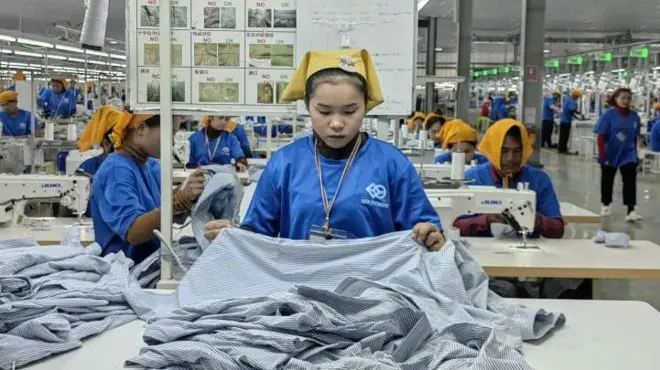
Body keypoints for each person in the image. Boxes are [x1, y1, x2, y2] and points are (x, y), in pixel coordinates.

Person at [204, 48, 444, 249]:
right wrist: (234, 236)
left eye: (350, 111)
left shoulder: (392, 164)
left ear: (366, 107)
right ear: (308, 105)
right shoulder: (286, 163)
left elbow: (423, 228)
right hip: (298, 288)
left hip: (373, 291)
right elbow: (257, 232)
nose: (337, 123)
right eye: (324, 111)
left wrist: (431, 235)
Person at [91, 111, 206, 264]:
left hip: (151, 261)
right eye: (170, 133)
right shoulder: (116, 171)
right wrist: (178, 202)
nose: (171, 143)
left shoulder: (150, 165)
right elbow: (133, 232)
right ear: (141, 128)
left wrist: (188, 195)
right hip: (124, 268)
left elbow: (159, 207)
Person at [453, 119, 564, 238]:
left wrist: (537, 220)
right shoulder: (472, 178)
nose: (511, 158)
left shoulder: (539, 180)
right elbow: (455, 225)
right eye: (504, 151)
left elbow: (558, 229)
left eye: (517, 151)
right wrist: (487, 219)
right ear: (493, 150)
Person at [594, 88, 643, 222]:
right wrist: (602, 154)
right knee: (607, 179)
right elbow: (600, 136)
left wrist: (636, 153)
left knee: (630, 181)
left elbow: (634, 136)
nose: (626, 100)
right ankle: (605, 204)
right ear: (616, 99)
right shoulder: (608, 115)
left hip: (628, 153)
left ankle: (631, 210)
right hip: (610, 152)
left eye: (628, 98)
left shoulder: (635, 117)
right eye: (623, 98)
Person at [558, 89, 583, 153]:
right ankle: (562, 149)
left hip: (564, 120)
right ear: (575, 96)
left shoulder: (568, 99)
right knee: (564, 136)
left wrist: (577, 116)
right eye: (577, 97)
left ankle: (562, 148)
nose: (577, 98)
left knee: (563, 136)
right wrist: (578, 113)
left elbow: (571, 112)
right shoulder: (571, 101)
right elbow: (571, 110)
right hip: (566, 121)